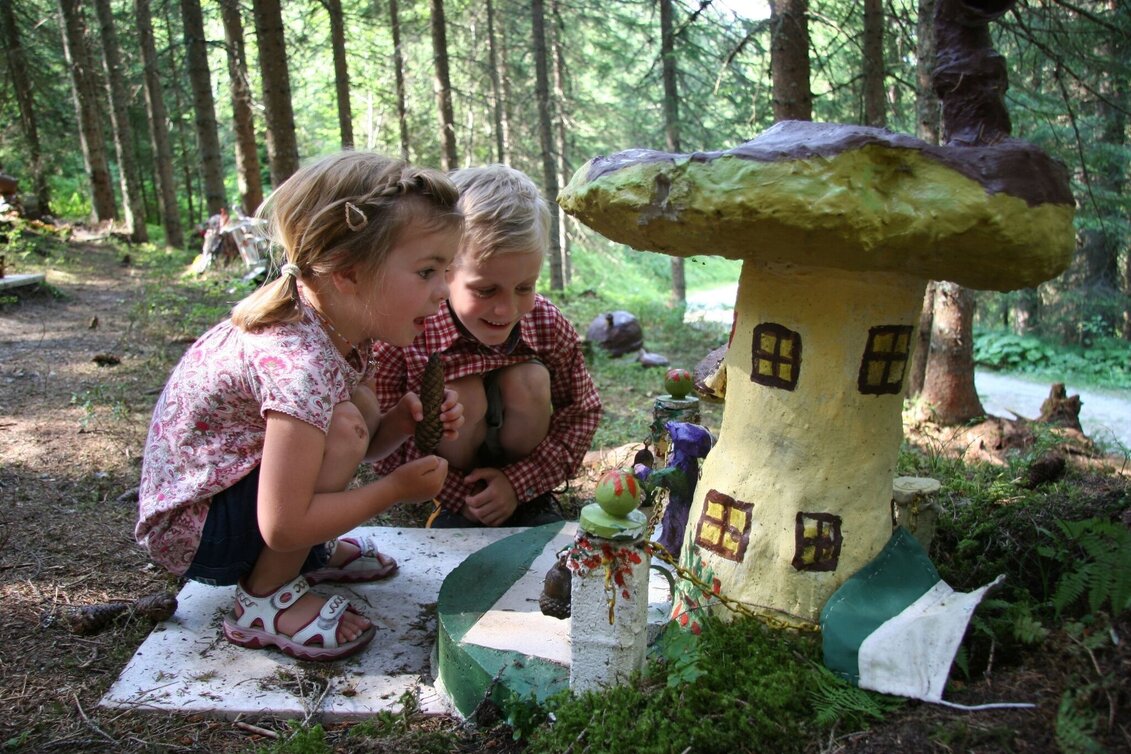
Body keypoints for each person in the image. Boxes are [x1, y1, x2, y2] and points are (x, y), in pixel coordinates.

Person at [135, 152, 465, 661]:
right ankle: (265, 599)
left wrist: (401, 421)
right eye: (426, 271)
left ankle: (311, 553)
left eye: (445, 270)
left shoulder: (342, 327)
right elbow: (283, 523)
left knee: (350, 418)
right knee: (342, 427)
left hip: (236, 492)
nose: (443, 291)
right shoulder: (299, 363)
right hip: (196, 526)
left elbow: (363, 443)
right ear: (348, 273)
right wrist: (393, 490)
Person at [372, 164, 601, 527]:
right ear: (445, 270)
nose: (507, 309)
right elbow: (381, 439)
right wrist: (453, 491)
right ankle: (461, 509)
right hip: (451, 470)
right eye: (485, 290)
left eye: (524, 287)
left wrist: (520, 482)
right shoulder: (408, 329)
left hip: (522, 462)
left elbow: (581, 412)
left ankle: (530, 503)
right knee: (461, 395)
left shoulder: (544, 322)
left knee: (529, 381)